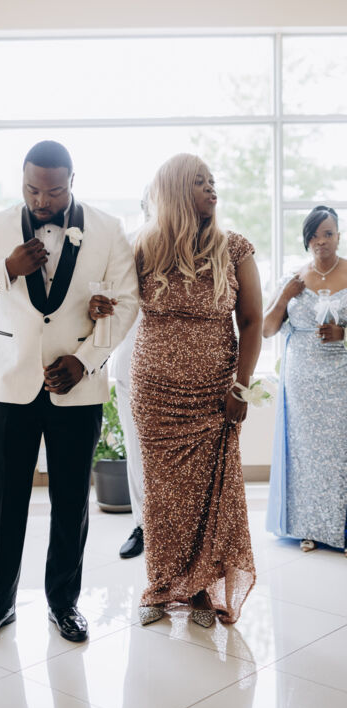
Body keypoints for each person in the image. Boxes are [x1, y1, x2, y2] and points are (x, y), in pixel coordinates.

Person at [0, 141, 138, 644]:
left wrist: (86, 360)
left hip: (78, 386)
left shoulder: (108, 229)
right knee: (5, 501)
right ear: (23, 180)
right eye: (32, 189)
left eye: (53, 191)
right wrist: (7, 268)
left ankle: (64, 604)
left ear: (72, 181)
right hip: (12, 384)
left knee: (71, 499)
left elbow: (127, 303)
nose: (41, 200)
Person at [129, 153, 262, 628]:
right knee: (163, 495)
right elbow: (117, 302)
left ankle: (202, 589)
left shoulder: (235, 248)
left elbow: (252, 322)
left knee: (208, 494)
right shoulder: (143, 248)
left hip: (213, 394)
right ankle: (161, 585)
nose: (211, 188)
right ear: (175, 190)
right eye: (199, 182)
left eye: (212, 181)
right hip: (156, 395)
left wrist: (240, 387)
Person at [264, 206, 347, 555]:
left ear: (338, 235)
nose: (320, 241)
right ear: (306, 239)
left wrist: (343, 334)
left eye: (327, 233)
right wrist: (285, 296)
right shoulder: (293, 278)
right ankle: (306, 527)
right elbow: (267, 329)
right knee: (304, 452)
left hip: (340, 376)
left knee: (339, 452)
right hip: (301, 379)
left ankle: (340, 529)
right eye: (313, 235)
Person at [108, 186, 150, 559]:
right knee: (136, 449)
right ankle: (142, 525)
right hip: (132, 361)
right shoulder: (129, 245)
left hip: (179, 369)